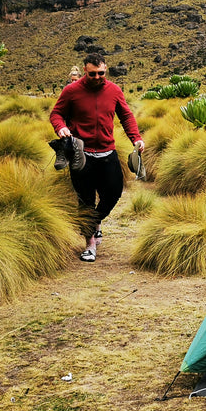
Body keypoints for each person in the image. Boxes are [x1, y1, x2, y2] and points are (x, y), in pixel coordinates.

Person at [49, 53, 144, 262]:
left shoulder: (114, 90)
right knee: (86, 199)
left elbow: (126, 115)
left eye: (101, 73)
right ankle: (90, 243)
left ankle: (94, 221)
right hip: (81, 155)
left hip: (108, 153)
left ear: (106, 70)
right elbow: (56, 114)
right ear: (85, 70)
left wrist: (136, 139)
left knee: (113, 192)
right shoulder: (71, 91)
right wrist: (61, 127)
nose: (97, 77)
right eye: (92, 74)